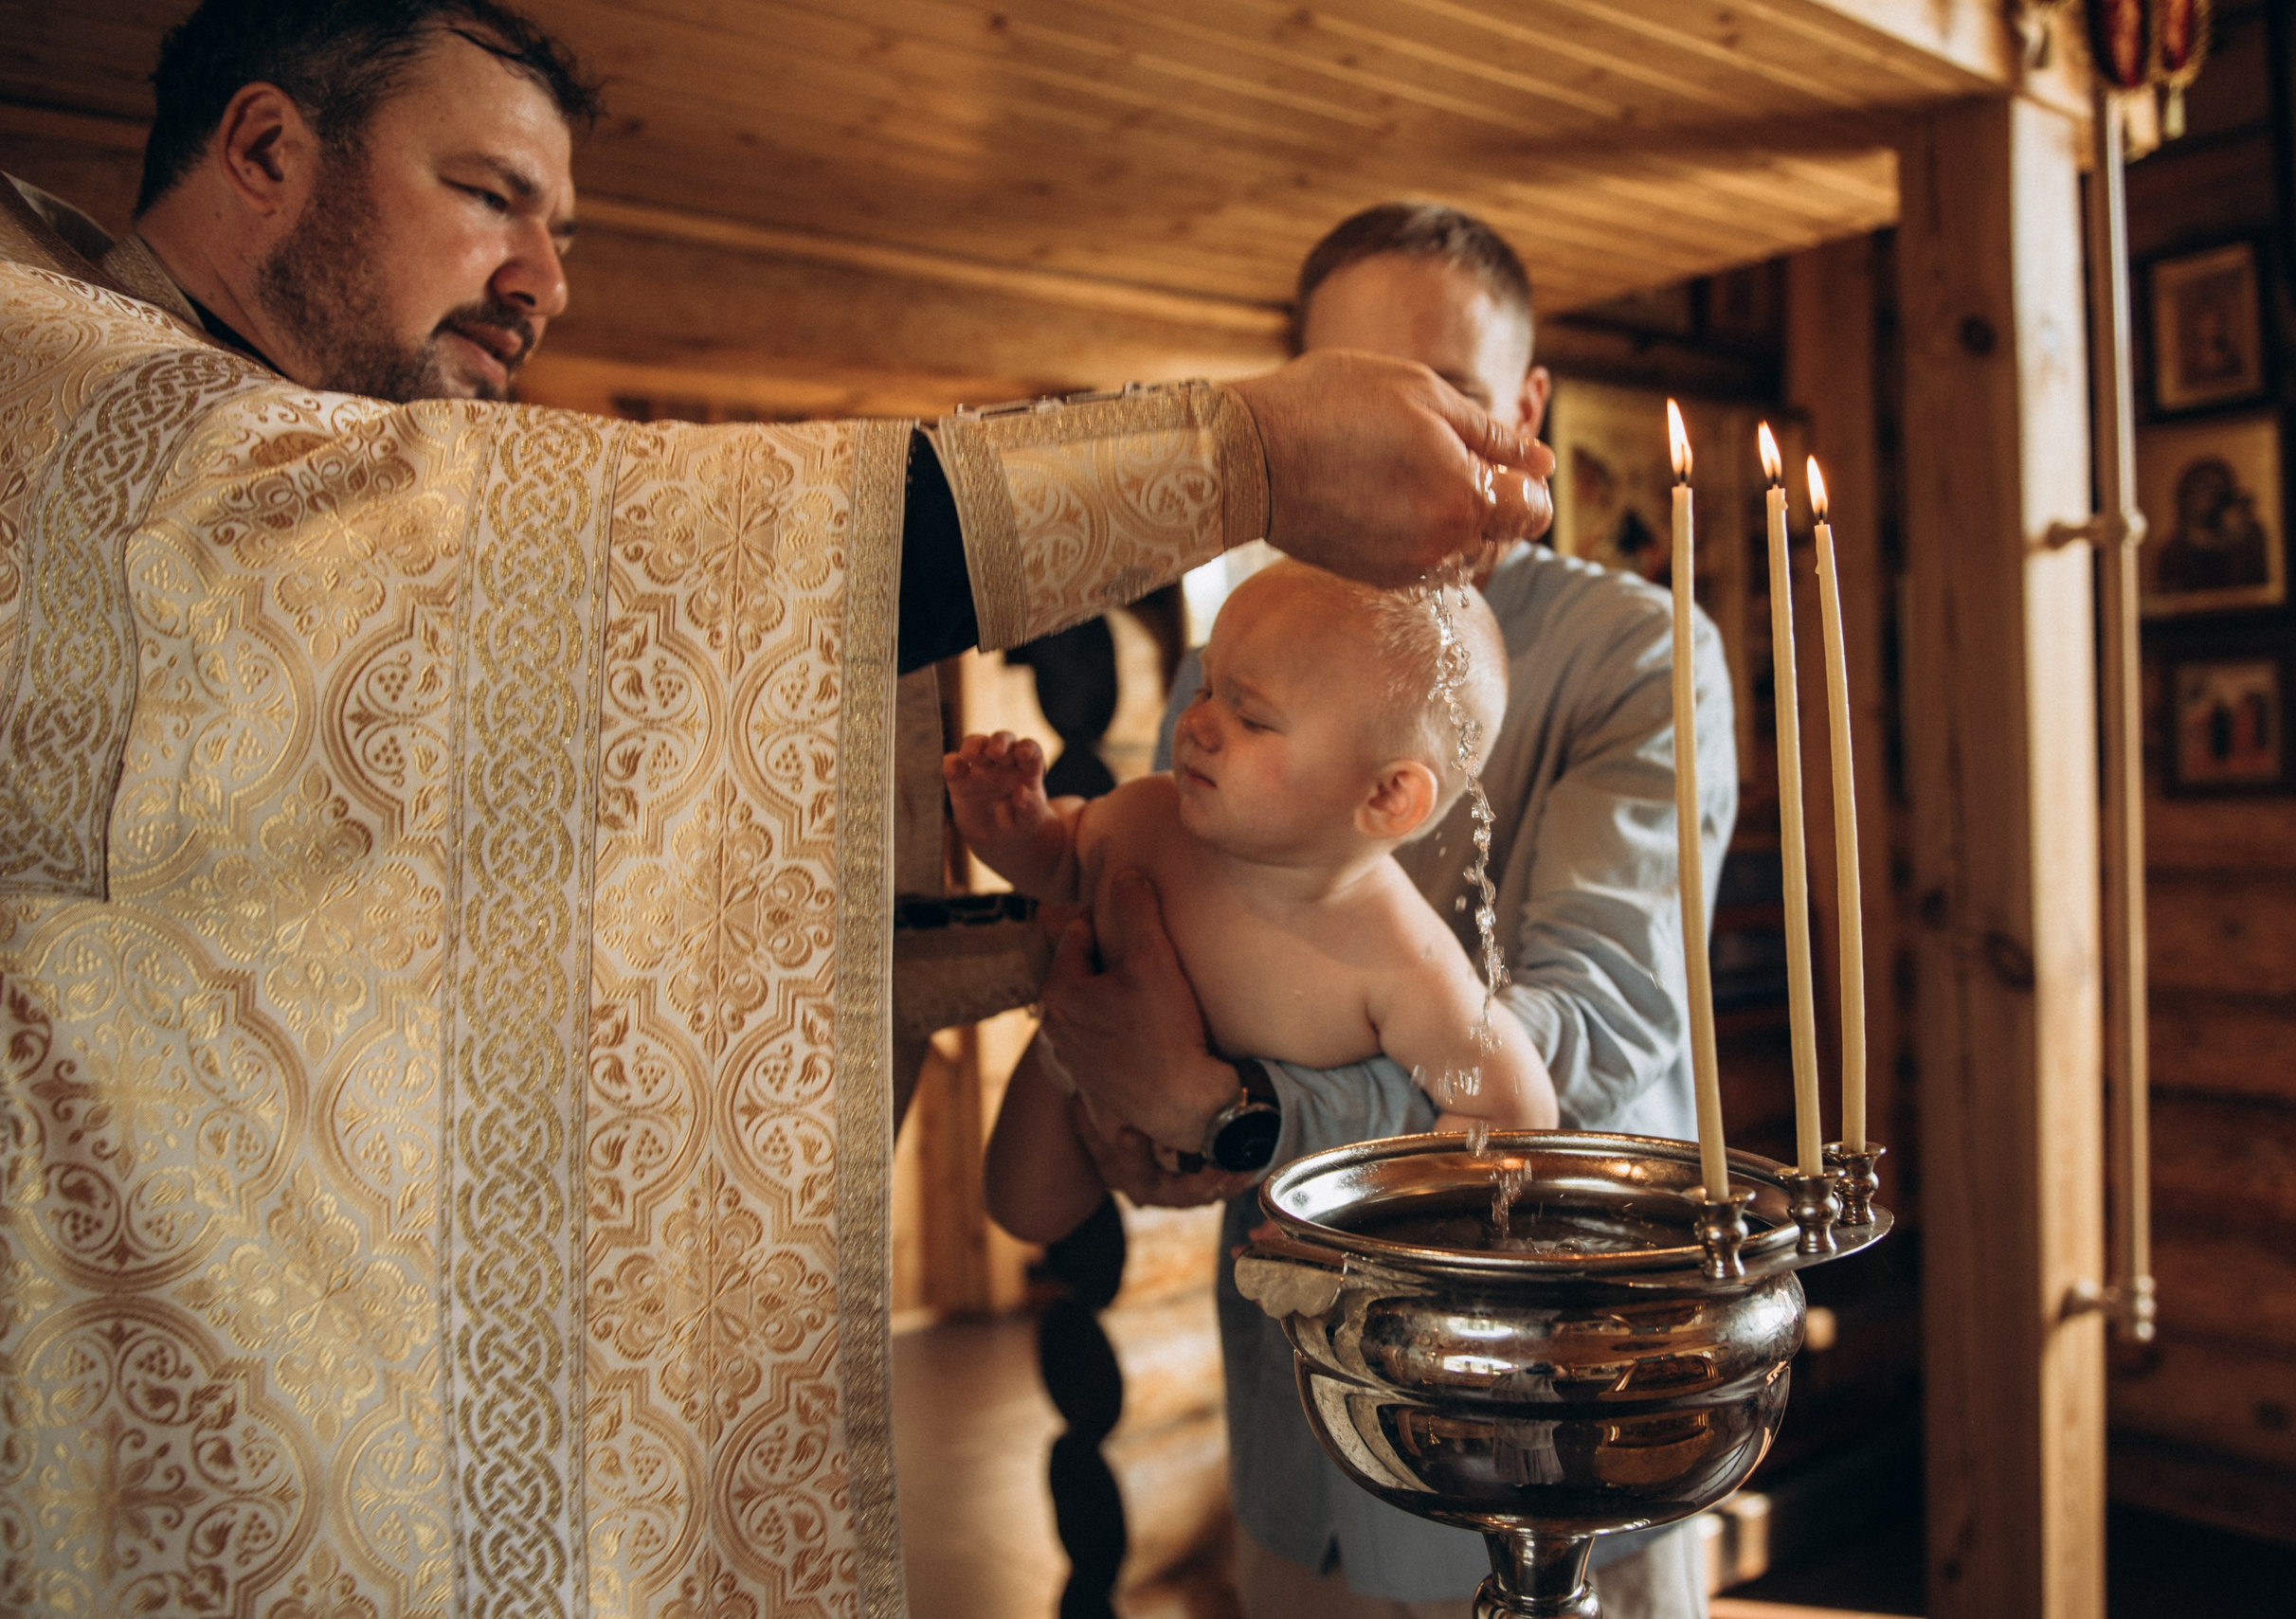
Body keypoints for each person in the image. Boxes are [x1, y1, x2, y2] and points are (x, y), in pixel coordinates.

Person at [0, 5, 1558, 1611]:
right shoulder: (53, 380)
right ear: (264, 149)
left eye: (565, 227)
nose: (548, 277)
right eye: (491, 193)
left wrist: (1122, 1020)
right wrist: (1239, 451)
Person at [1033, 204, 1738, 1619]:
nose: (1412, 457)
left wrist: (1243, 1110)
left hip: (1554, 1420)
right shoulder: (1230, 666)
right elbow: (1163, 953)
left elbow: (1590, 1032)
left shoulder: (1636, 658)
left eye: (1459, 404)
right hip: (1298, 1417)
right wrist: (1131, 1096)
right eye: (1362, 406)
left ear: (1530, 411)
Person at [951, 562, 1558, 1243]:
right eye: (1208, 686)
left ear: (1387, 797)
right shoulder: (1152, 813)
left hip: (1261, 1183)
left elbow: (1511, 1108)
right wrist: (1014, 826)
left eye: (1250, 715)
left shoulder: (1396, 955)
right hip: (1081, 1049)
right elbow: (1063, 861)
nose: (1199, 722)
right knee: (1020, 1209)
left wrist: (1353, 1218)